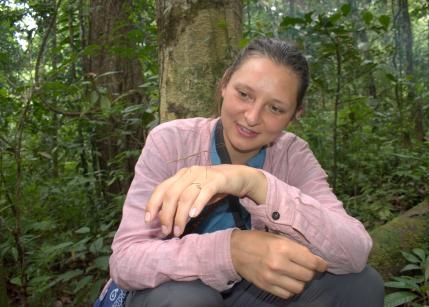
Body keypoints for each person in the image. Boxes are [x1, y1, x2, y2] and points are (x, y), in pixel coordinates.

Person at [108, 37, 384, 306]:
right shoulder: (171, 142)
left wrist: (255, 182)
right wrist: (230, 252)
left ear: (295, 114)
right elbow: (126, 259)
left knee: (361, 285)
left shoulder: (292, 155)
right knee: (187, 299)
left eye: (275, 108)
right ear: (224, 84)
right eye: (244, 94)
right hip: (175, 292)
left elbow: (354, 251)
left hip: (253, 293)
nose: (252, 117)